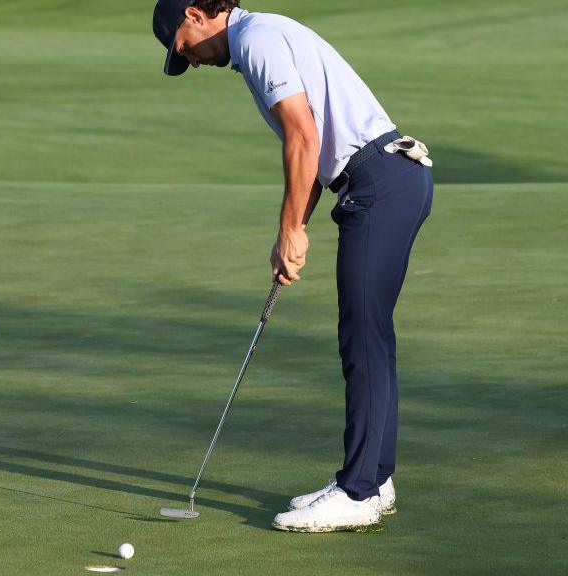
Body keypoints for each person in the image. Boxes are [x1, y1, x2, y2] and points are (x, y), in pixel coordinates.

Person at [152, 0, 434, 533]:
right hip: (389, 179)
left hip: (379, 183)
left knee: (363, 338)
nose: (189, 63)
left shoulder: (256, 40)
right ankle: (374, 476)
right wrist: (292, 228)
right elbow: (309, 145)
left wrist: (290, 231)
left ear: (194, 14)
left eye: (182, 50)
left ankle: (358, 492)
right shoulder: (262, 35)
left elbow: (304, 136)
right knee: (370, 335)